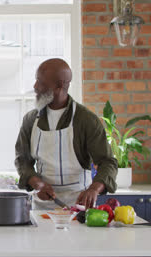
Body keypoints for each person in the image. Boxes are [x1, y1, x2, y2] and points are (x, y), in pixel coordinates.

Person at [15, 58, 117, 209]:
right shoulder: (30, 120)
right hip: (42, 204)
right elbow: (22, 160)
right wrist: (38, 184)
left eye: (41, 82)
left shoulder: (86, 120)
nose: (35, 87)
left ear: (60, 85)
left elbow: (107, 162)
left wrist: (94, 189)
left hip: (79, 203)